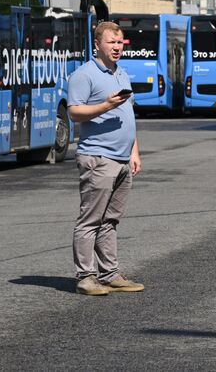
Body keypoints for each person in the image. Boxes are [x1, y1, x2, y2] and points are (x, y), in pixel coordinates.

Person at [67, 20, 144, 296]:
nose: (117, 47)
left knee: (111, 220)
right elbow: (74, 112)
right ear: (97, 44)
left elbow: (129, 115)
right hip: (98, 157)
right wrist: (106, 105)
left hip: (122, 158)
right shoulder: (84, 75)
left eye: (120, 42)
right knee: (91, 219)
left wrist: (134, 152)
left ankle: (110, 274)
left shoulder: (121, 74)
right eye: (111, 42)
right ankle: (86, 276)